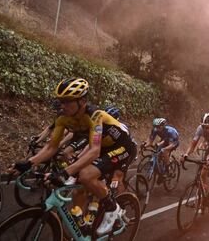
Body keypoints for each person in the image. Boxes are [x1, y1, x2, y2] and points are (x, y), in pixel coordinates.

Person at [10, 78, 137, 236]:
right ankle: (82, 228)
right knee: (78, 189)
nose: (62, 106)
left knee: (86, 175)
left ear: (82, 101)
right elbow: (52, 146)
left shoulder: (95, 116)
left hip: (122, 146)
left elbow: (94, 151)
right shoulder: (63, 118)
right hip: (102, 147)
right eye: (61, 101)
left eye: (68, 102)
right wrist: (28, 164)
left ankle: (112, 209)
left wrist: (65, 173)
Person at [144, 118, 179, 183]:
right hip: (165, 140)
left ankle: (168, 169)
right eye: (155, 127)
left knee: (164, 151)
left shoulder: (170, 131)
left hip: (173, 142)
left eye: (158, 127)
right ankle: (161, 172)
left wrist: (164, 149)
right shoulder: (155, 130)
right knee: (157, 152)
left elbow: (171, 145)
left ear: (163, 126)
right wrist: (144, 145)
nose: (156, 128)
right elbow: (150, 141)